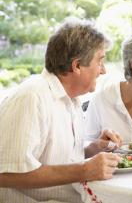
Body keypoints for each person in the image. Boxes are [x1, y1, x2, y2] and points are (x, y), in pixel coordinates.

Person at [0, 19, 123, 203]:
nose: (103, 70)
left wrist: (92, 150)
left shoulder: (71, 99)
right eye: (100, 61)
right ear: (77, 66)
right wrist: (83, 170)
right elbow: (6, 173)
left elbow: (52, 159)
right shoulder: (32, 97)